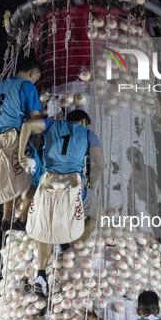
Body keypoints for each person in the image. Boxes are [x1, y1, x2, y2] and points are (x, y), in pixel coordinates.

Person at [18, 109, 105, 297]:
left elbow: (27, 126)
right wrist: (93, 182)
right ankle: (67, 243)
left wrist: (20, 155)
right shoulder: (89, 134)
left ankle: (41, 274)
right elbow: (100, 165)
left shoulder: (52, 125)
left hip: (48, 185)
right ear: (83, 121)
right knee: (99, 215)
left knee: (44, 225)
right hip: (73, 189)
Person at [0, 58, 43, 230]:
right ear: (32, 73)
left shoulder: (0, 86)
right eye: (36, 78)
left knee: (9, 176)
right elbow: (35, 119)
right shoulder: (27, 86)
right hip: (15, 136)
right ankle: (22, 219)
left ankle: (5, 219)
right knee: (40, 174)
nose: (34, 81)